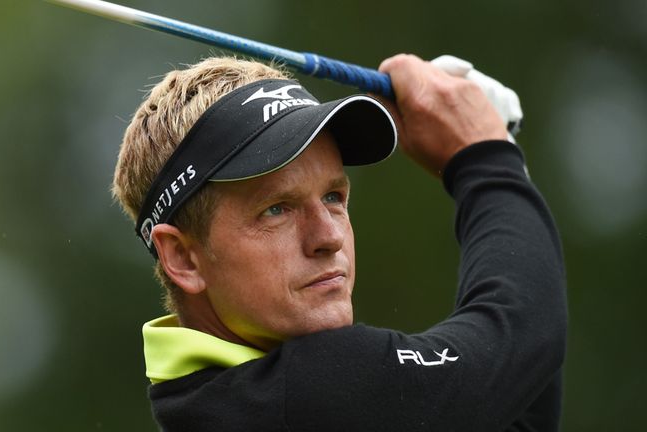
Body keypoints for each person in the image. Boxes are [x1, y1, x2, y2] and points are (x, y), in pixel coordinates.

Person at [112, 54, 567, 431]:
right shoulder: (311, 395)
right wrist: (486, 156)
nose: (328, 237)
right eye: (277, 209)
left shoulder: (215, 403)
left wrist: (500, 165)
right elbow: (523, 332)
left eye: (333, 197)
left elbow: (515, 381)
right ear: (184, 258)